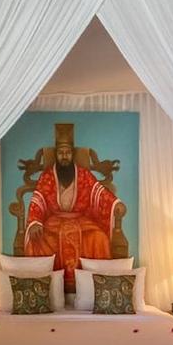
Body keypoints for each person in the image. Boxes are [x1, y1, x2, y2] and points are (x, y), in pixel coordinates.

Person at [24, 124, 120, 289]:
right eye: (61, 153)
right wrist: (34, 223)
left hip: (81, 221)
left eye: (67, 153)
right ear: (56, 155)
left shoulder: (83, 174)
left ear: (72, 154)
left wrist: (116, 204)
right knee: (37, 240)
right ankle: (46, 287)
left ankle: (97, 288)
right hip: (54, 223)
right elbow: (37, 201)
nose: (64, 156)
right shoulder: (47, 176)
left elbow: (99, 193)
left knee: (100, 239)